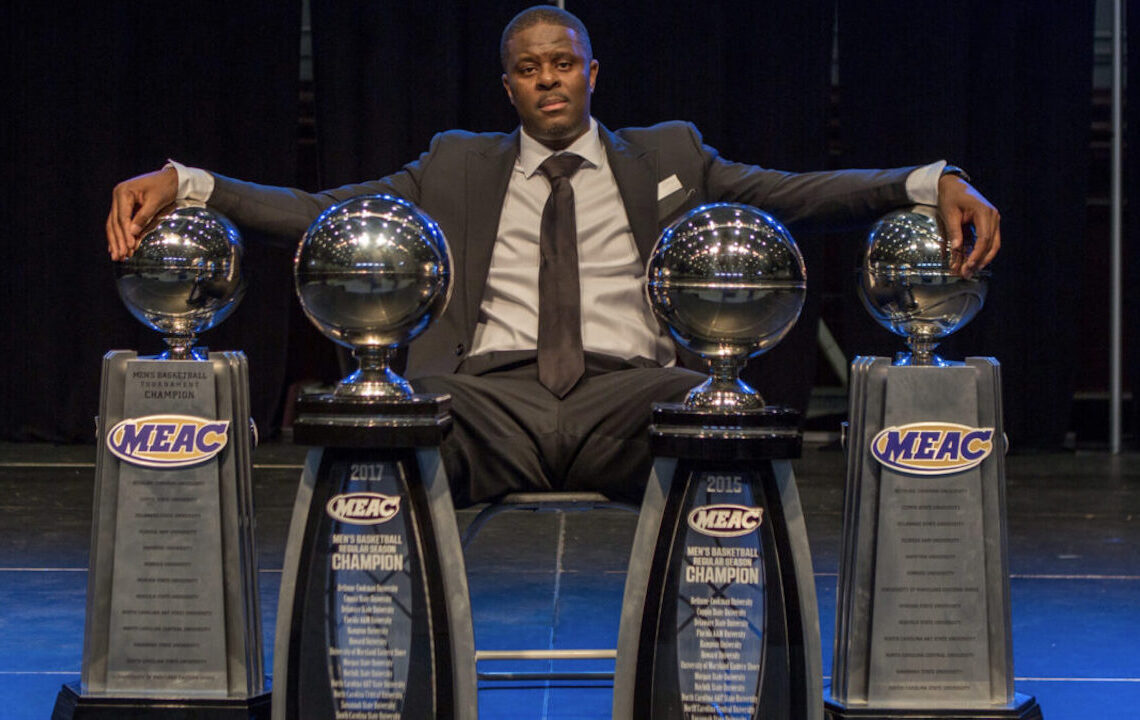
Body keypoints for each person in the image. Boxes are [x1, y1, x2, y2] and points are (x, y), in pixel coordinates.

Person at [105, 6, 1000, 507]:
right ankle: (380, 667)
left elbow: (801, 195)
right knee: (375, 445)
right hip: (487, 395)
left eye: (562, 64)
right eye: (529, 68)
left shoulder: (672, 155)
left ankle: (720, 670)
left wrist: (927, 182)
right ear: (509, 86)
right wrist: (191, 184)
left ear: (591, 74)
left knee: (724, 429)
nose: (547, 79)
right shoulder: (455, 163)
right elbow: (318, 210)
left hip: (634, 393)